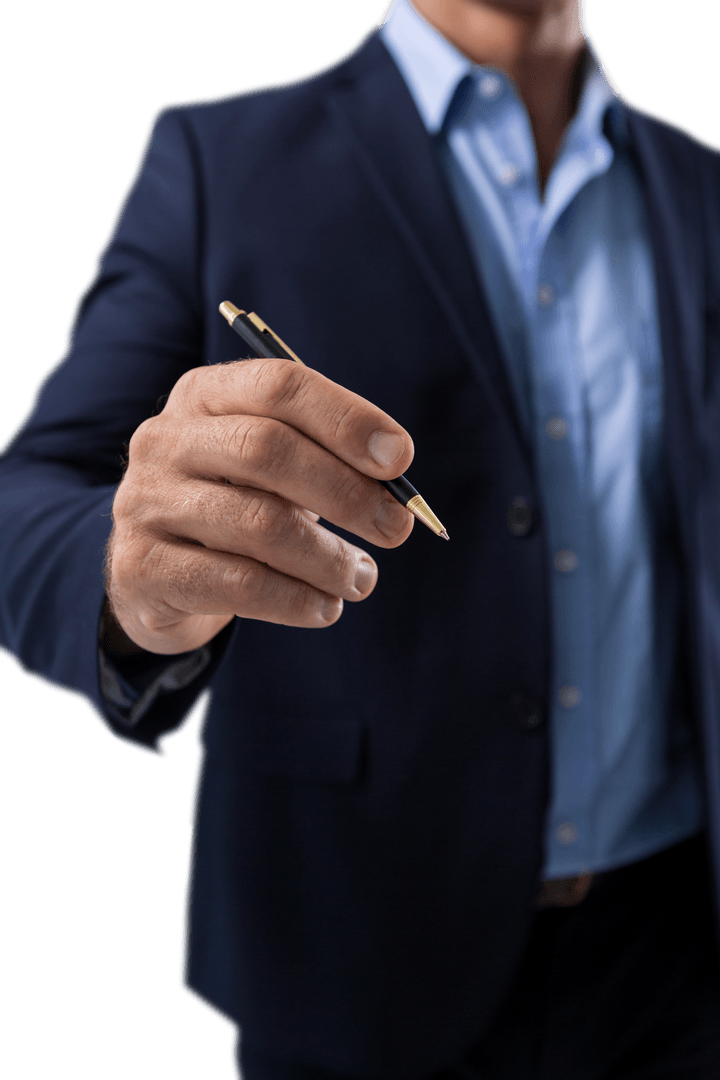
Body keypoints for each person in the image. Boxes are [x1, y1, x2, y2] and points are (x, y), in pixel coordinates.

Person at [2, 0, 720, 1076]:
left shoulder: (699, 185)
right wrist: (133, 578)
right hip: (356, 945)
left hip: (675, 952)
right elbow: (30, 497)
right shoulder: (219, 158)